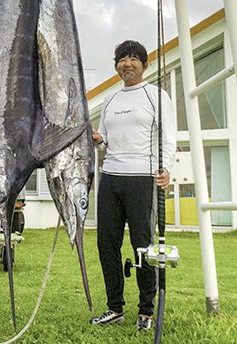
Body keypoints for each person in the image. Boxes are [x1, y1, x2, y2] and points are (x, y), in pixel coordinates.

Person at [89, 40, 176, 331]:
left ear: (144, 64)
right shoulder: (111, 100)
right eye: (122, 59)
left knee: (144, 246)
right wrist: (100, 140)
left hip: (143, 178)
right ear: (116, 66)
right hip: (110, 177)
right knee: (106, 244)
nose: (127, 63)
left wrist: (166, 170)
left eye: (133, 58)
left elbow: (168, 137)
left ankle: (146, 311)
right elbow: (107, 138)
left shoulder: (156, 95)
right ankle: (115, 308)